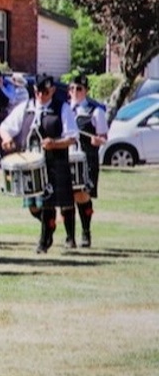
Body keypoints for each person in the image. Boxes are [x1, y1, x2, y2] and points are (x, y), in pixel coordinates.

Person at [0, 77, 79, 253]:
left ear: (52, 91)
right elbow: (5, 127)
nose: (40, 95)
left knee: (47, 204)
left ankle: (44, 241)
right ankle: (49, 225)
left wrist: (55, 143)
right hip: (31, 165)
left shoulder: (62, 108)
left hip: (54, 163)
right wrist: (7, 139)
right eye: (37, 92)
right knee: (34, 207)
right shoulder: (26, 107)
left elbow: (73, 137)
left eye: (44, 92)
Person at [67, 74, 108, 247]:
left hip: (86, 160)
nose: (75, 92)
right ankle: (70, 237)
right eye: (72, 88)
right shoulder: (64, 109)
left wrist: (98, 140)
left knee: (82, 196)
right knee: (66, 197)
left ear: (86, 91)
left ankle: (85, 231)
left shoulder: (95, 110)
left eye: (79, 89)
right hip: (66, 158)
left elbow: (103, 136)